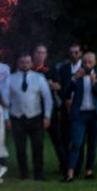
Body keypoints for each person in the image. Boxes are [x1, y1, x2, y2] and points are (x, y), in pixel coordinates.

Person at [8, 52, 53, 180]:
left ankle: (39, 173)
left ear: (31, 63)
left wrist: (47, 116)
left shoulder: (39, 78)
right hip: (17, 117)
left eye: (27, 62)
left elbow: (48, 98)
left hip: (35, 117)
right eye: (22, 62)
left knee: (38, 146)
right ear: (18, 63)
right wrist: (6, 117)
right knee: (20, 148)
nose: (25, 64)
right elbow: (6, 99)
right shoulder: (11, 78)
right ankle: (23, 174)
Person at [65, 52, 97, 182]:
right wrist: (74, 79)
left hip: (94, 114)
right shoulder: (77, 75)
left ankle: (89, 171)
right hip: (80, 114)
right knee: (76, 143)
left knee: (92, 144)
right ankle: (70, 172)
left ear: (95, 62)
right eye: (85, 62)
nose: (87, 64)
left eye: (90, 62)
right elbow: (66, 93)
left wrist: (94, 84)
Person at [33, 44, 67, 175]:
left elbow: (58, 86)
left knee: (57, 140)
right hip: (34, 110)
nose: (40, 55)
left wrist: (49, 84)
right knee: (38, 142)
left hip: (50, 109)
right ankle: (39, 171)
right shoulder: (30, 68)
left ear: (46, 55)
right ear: (34, 54)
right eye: (38, 52)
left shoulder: (51, 69)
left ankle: (65, 167)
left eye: (43, 53)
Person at [58, 43, 84, 170]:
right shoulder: (63, 69)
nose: (74, 55)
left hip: (81, 107)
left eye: (76, 52)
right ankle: (65, 165)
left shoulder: (85, 68)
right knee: (65, 137)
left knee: (79, 139)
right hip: (66, 106)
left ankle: (77, 166)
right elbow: (61, 87)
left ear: (80, 53)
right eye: (71, 52)